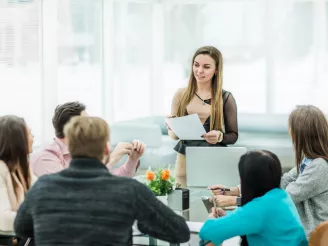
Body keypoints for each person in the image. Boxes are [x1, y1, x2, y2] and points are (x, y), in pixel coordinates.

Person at [14, 116, 190, 245]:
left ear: (71, 148)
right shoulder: (130, 191)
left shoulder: (42, 188)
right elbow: (180, 232)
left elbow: (22, 229)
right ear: (107, 148)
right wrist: (145, 223)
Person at [208, 105, 328, 238]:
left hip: (312, 237)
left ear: (301, 133)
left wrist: (235, 201)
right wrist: (232, 190)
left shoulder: (320, 166)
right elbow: (280, 182)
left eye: (291, 129)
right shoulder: (309, 161)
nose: (290, 133)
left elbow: (284, 197)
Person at [199, 150, 307, 246]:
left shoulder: (259, 208)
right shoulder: (281, 196)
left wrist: (212, 220)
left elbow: (207, 232)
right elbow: (251, 218)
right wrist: (226, 216)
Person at [168, 46, 238, 186]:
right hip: (184, 159)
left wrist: (220, 136)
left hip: (214, 159)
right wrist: (173, 127)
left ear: (216, 70)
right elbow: (174, 136)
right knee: (183, 200)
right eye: (196, 65)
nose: (199, 71)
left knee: (212, 202)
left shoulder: (225, 98)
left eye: (206, 67)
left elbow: (233, 136)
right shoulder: (180, 95)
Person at [31, 101, 146, 178]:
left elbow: (109, 181)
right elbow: (74, 191)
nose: (91, 127)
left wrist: (132, 160)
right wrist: (111, 158)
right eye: (86, 123)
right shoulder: (46, 159)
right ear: (73, 128)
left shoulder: (84, 151)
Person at [0, 115, 36, 231]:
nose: (33, 137)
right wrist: (41, 218)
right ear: (18, 140)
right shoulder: (1, 169)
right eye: (29, 133)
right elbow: (3, 221)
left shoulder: (22, 168)